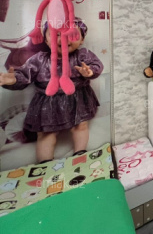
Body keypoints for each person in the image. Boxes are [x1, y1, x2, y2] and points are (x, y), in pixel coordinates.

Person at [0, 19, 103, 162]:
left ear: (82, 40)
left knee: (80, 126)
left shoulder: (82, 55)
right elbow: (24, 76)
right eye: (56, 35)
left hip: (77, 99)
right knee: (46, 134)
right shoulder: (39, 59)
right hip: (48, 103)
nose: (64, 39)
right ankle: (45, 164)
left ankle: (80, 155)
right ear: (46, 40)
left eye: (71, 35)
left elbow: (96, 65)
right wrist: (13, 80)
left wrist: (90, 71)